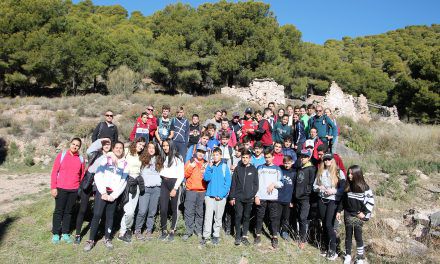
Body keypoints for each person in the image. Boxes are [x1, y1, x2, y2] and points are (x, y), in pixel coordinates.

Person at [83, 141, 128, 252]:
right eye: (116, 147)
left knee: (110, 216)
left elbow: (123, 181)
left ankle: (107, 238)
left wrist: (113, 195)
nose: (118, 149)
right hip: (102, 192)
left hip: (113, 194)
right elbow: (98, 175)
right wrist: (103, 192)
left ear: (123, 150)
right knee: (97, 215)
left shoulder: (125, 164)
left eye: (120, 148)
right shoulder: (106, 159)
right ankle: (91, 240)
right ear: (113, 149)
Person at [75, 138, 111, 244]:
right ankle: (78, 234)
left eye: (109, 144)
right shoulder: (96, 154)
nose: (106, 145)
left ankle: (96, 233)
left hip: (101, 186)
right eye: (105, 144)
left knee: (98, 211)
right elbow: (89, 150)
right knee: (83, 209)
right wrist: (102, 140)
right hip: (90, 182)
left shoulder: (111, 157)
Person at [337, 165, 374, 264]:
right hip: (348, 213)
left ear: (357, 174)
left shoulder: (364, 188)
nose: (349, 175)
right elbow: (342, 200)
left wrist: (365, 214)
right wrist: (339, 211)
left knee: (358, 235)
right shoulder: (347, 185)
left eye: (352, 174)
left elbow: (370, 201)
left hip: (358, 214)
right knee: (348, 234)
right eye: (348, 173)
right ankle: (348, 256)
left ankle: (360, 257)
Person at [50, 138, 85, 244]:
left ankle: (65, 232)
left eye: (77, 145)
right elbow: (54, 171)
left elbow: (82, 175)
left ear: (79, 147)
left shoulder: (81, 159)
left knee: (68, 212)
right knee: (58, 211)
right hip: (60, 188)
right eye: (73, 144)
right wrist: (53, 187)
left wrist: (80, 188)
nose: (75, 146)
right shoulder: (62, 155)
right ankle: (56, 233)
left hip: (74, 190)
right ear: (70, 144)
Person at [313, 153, 346, 260]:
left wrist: (334, 190)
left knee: (328, 224)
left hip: (333, 200)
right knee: (324, 223)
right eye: (325, 160)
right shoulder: (321, 171)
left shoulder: (338, 172)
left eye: (329, 159)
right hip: (322, 199)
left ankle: (333, 249)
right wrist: (319, 187)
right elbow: (314, 186)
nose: (327, 161)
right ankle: (325, 246)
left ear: (332, 160)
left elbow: (343, 188)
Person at [201, 148, 232, 245]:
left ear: (221, 156)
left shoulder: (224, 167)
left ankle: (216, 235)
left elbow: (228, 183)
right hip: (210, 196)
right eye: (214, 155)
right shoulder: (210, 166)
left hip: (220, 197)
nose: (215, 157)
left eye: (217, 155)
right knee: (208, 217)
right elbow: (206, 178)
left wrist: (221, 195)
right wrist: (209, 167)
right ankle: (206, 236)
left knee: (218, 217)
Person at [118, 137, 146, 243]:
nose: (141, 147)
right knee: (128, 211)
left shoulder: (141, 156)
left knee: (131, 210)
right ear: (136, 143)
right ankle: (128, 228)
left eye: (143, 146)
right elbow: (116, 155)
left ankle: (123, 231)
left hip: (137, 184)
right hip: (126, 182)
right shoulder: (126, 151)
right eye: (140, 144)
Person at [134, 141, 163, 240]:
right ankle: (138, 229)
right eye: (149, 147)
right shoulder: (142, 159)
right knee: (142, 210)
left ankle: (149, 230)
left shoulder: (159, 160)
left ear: (156, 150)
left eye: (153, 148)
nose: (151, 149)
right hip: (145, 188)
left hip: (156, 189)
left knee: (152, 211)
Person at [254, 149, 283, 249]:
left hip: (273, 197)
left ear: (273, 157)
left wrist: (274, 184)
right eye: (266, 157)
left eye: (269, 157)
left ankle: (274, 236)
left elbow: (281, 182)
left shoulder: (277, 169)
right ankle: (257, 235)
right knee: (259, 217)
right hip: (261, 196)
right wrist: (256, 195)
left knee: (273, 218)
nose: (267, 159)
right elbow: (256, 183)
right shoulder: (260, 168)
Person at [229, 149, 258, 246]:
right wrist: (232, 197)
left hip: (249, 198)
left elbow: (256, 184)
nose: (245, 159)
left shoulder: (254, 169)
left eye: (247, 158)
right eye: (243, 157)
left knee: (246, 217)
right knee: (238, 216)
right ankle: (237, 236)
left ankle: (244, 236)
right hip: (238, 197)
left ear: (250, 158)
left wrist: (252, 194)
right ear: (241, 158)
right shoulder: (238, 168)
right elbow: (233, 183)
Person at [158, 139, 185, 241]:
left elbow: (181, 174)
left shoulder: (178, 157)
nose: (165, 147)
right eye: (163, 145)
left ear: (171, 145)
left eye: (167, 145)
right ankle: (164, 230)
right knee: (163, 208)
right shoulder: (162, 156)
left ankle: (172, 230)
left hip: (174, 183)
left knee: (174, 208)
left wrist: (175, 188)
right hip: (164, 183)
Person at [183, 145, 208, 241]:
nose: (201, 153)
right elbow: (185, 174)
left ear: (205, 153)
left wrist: (205, 171)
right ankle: (188, 231)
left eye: (203, 152)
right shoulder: (190, 161)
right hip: (191, 190)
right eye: (199, 151)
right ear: (196, 152)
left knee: (200, 212)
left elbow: (208, 178)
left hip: (202, 191)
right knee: (189, 211)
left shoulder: (206, 163)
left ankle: (198, 231)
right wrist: (191, 167)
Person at [293, 149, 316, 250]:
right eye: (301, 156)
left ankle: (303, 239)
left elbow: (311, 183)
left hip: (305, 198)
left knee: (303, 218)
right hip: (297, 197)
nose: (302, 158)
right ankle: (299, 235)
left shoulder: (311, 168)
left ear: (309, 157)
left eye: (305, 157)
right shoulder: (299, 167)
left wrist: (306, 193)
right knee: (298, 217)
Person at [278, 156, 296, 241]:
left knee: (286, 217)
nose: (287, 165)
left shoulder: (294, 172)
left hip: (288, 199)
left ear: (292, 162)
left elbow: (295, 187)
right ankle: (276, 230)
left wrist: (292, 200)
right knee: (278, 216)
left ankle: (284, 231)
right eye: (285, 163)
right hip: (279, 197)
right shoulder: (280, 170)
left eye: (288, 163)